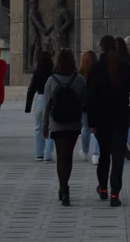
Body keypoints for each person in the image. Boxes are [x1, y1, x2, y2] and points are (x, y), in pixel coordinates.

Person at [86, 35, 130, 207]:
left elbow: (90, 98)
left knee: (104, 155)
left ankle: (103, 189)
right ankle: (115, 194)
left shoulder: (95, 68)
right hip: (121, 117)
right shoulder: (125, 68)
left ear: (101, 47)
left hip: (102, 119)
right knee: (118, 157)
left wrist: (91, 122)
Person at [42, 48, 87, 206]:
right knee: (68, 155)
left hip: (57, 123)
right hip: (74, 123)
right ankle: (65, 186)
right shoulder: (79, 79)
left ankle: (64, 189)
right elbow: (84, 102)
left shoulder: (52, 80)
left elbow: (46, 106)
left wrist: (44, 126)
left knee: (61, 156)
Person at [26, 50, 56, 162]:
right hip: (51, 100)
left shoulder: (37, 73)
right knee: (50, 127)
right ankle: (48, 154)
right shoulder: (53, 73)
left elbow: (31, 89)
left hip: (40, 98)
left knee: (38, 127)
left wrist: (28, 107)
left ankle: (39, 154)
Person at [78, 50, 100, 163]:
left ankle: (85, 152)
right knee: (98, 128)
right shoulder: (99, 72)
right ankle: (96, 154)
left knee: (85, 128)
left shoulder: (80, 74)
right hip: (97, 103)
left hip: (85, 105)